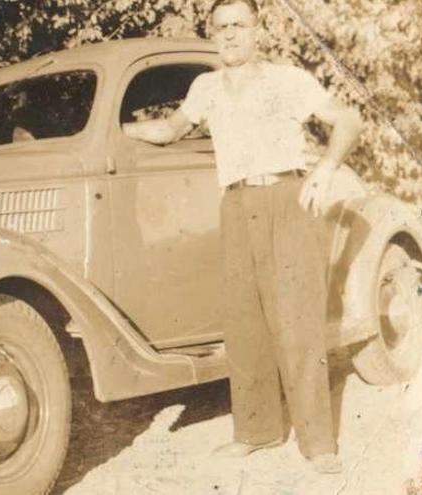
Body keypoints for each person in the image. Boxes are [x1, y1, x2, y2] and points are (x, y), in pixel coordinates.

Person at [123, 0, 362, 474]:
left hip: (287, 200)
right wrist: (118, 130)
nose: (230, 35)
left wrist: (327, 169)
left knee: (297, 321)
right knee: (244, 321)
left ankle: (319, 444)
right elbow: (172, 129)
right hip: (235, 205)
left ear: (259, 31)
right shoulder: (205, 86)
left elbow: (349, 121)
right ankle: (257, 432)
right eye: (221, 27)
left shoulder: (288, 80)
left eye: (239, 25)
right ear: (212, 34)